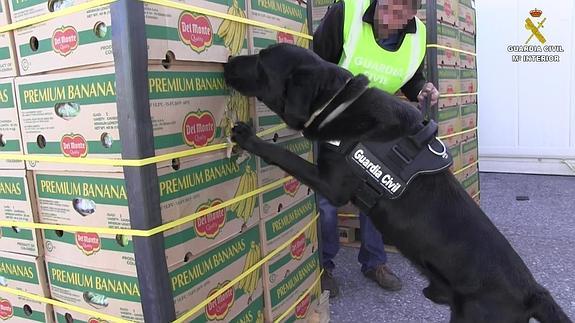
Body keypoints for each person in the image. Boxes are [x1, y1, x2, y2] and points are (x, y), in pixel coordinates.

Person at [312, 0, 440, 298]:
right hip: (333, 121)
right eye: (384, 6)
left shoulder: (417, 35)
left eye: (396, 13)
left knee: (376, 197)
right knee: (327, 201)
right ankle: (324, 266)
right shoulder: (348, 12)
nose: (385, 17)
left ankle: (374, 263)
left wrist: (421, 88)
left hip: (374, 125)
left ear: (411, 15)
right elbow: (315, 62)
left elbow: (411, 76)